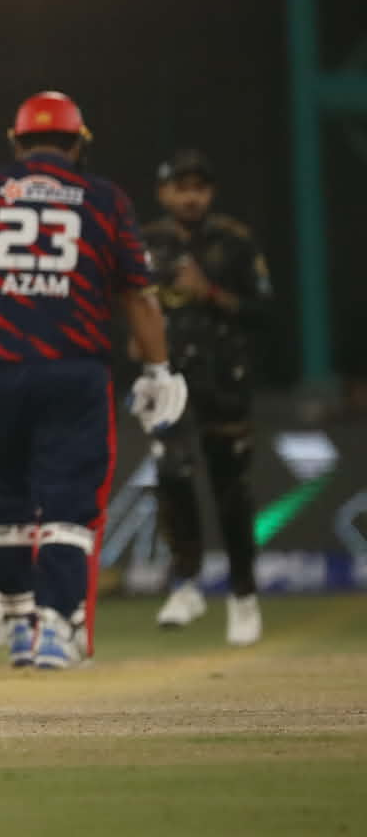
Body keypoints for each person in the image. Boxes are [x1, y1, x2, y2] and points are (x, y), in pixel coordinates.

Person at [0, 91, 188, 670]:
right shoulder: (104, 200)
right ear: (79, 144)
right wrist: (158, 369)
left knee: (1, 506)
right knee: (68, 505)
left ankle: (17, 617)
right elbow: (139, 293)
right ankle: (55, 625)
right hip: (71, 371)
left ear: (15, 142)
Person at [142, 149, 273, 646]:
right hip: (168, 380)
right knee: (171, 472)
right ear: (164, 192)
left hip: (225, 379)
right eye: (181, 186)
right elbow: (130, 306)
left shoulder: (235, 243)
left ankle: (243, 596)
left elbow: (264, 311)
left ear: (211, 193)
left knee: (231, 491)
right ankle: (187, 582)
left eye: (199, 186)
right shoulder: (147, 242)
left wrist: (209, 292)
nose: (191, 196)